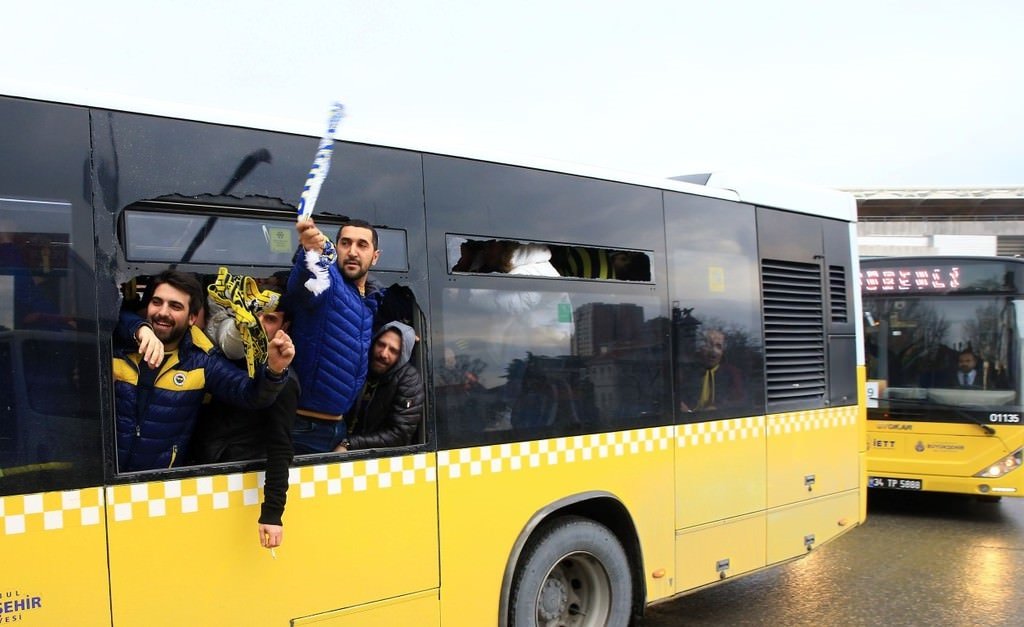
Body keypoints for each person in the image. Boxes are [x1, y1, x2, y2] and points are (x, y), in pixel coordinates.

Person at [113, 270, 294, 472]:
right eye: (157, 302)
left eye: (175, 306)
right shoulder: (119, 343)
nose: (163, 312)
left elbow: (251, 395)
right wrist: (139, 328)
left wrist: (274, 370)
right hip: (100, 482)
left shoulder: (203, 361)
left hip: (155, 486)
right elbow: (112, 316)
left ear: (192, 318)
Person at [192, 281, 297, 550]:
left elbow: (280, 447)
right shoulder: (227, 355)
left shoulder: (283, 379)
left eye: (270, 318)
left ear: (284, 329)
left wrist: (273, 513)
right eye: (254, 313)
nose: (258, 323)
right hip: (203, 469)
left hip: (231, 476)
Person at [286, 217, 384, 453]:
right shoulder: (328, 281)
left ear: (375, 256)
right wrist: (309, 251)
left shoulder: (370, 301)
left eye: (362, 245)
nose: (352, 251)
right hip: (304, 430)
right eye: (345, 243)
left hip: (338, 429)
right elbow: (303, 286)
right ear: (336, 247)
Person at [336, 321, 424, 451]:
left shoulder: (409, 380)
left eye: (393, 350)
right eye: (381, 344)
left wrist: (349, 444)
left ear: (403, 355)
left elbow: (399, 435)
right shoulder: (361, 367)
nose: (383, 353)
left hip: (378, 458)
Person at [679, 328, 745, 413]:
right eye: (708, 345)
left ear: (723, 351)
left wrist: (718, 409)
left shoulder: (734, 374)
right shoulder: (685, 372)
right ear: (699, 348)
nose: (713, 352)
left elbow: (740, 402)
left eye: (718, 346)